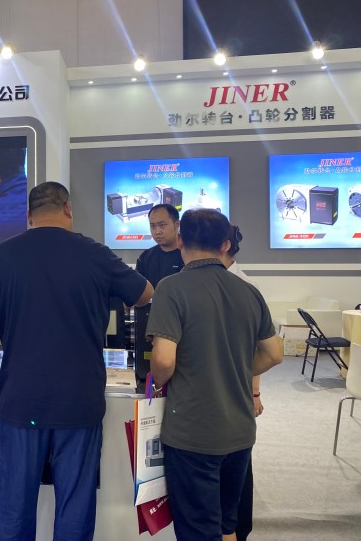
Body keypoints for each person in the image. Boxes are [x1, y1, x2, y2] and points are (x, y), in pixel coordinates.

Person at [0, 181, 153, 540]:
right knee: (75, 505)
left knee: (13, 503)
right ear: (68, 208)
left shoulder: (2, 256)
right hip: (79, 401)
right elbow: (145, 294)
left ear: (29, 216)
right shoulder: (96, 254)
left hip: (22, 401)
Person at [147, 209, 283, 541]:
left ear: (181, 240)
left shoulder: (171, 288)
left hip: (193, 433)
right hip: (240, 432)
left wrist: (160, 381)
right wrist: (233, 367)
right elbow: (274, 354)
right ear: (224, 244)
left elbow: (163, 360)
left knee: (198, 528)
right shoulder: (248, 290)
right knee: (227, 526)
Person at [219, 224, 262, 541]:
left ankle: (236, 528)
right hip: (222, 386)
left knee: (237, 463)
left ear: (224, 245)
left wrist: (254, 390)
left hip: (235, 388)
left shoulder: (243, 285)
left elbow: (259, 347)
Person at [133, 203, 183, 381]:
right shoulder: (146, 257)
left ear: (176, 225)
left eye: (162, 225)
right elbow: (139, 293)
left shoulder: (187, 255)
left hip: (181, 330)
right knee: (148, 375)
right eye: (152, 226)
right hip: (150, 327)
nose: (157, 231)